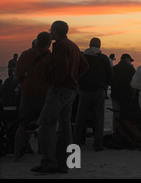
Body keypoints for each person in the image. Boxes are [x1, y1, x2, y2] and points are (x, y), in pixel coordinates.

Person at [31, 20, 89, 174]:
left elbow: (61, 68)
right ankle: (63, 164)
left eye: (51, 30)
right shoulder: (73, 46)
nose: (50, 33)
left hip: (60, 90)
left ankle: (50, 161)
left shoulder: (61, 46)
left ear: (55, 31)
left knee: (45, 124)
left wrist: (56, 83)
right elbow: (84, 66)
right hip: (71, 90)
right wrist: (74, 78)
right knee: (65, 127)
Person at [14, 32, 52, 162]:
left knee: (22, 125)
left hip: (27, 94)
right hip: (44, 96)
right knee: (45, 125)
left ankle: (17, 154)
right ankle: (42, 150)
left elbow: (18, 74)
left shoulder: (24, 55)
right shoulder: (50, 57)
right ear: (49, 43)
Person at [73, 38, 113, 151]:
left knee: (80, 118)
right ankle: (98, 144)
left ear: (89, 45)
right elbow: (110, 76)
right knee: (99, 118)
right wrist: (106, 85)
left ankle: (76, 142)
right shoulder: (103, 58)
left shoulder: (82, 57)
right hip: (99, 91)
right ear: (99, 46)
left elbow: (75, 73)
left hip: (84, 91)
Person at [111, 53, 137, 132]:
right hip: (126, 96)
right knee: (125, 115)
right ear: (127, 59)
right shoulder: (131, 69)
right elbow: (134, 83)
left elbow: (110, 81)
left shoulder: (114, 68)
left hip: (115, 94)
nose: (131, 62)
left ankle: (116, 132)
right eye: (130, 60)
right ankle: (125, 132)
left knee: (116, 115)